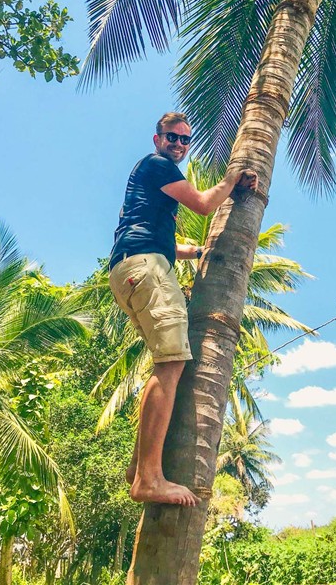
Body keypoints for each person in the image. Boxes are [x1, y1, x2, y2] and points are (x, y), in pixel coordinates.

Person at [108, 112, 258, 506]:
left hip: (130, 270)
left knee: (167, 362)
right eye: (171, 137)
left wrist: (199, 252)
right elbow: (204, 205)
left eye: (184, 140)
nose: (177, 144)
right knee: (171, 364)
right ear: (157, 139)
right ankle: (148, 479)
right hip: (146, 269)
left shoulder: (150, 184)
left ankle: (138, 467)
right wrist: (232, 179)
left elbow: (160, 240)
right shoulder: (157, 165)